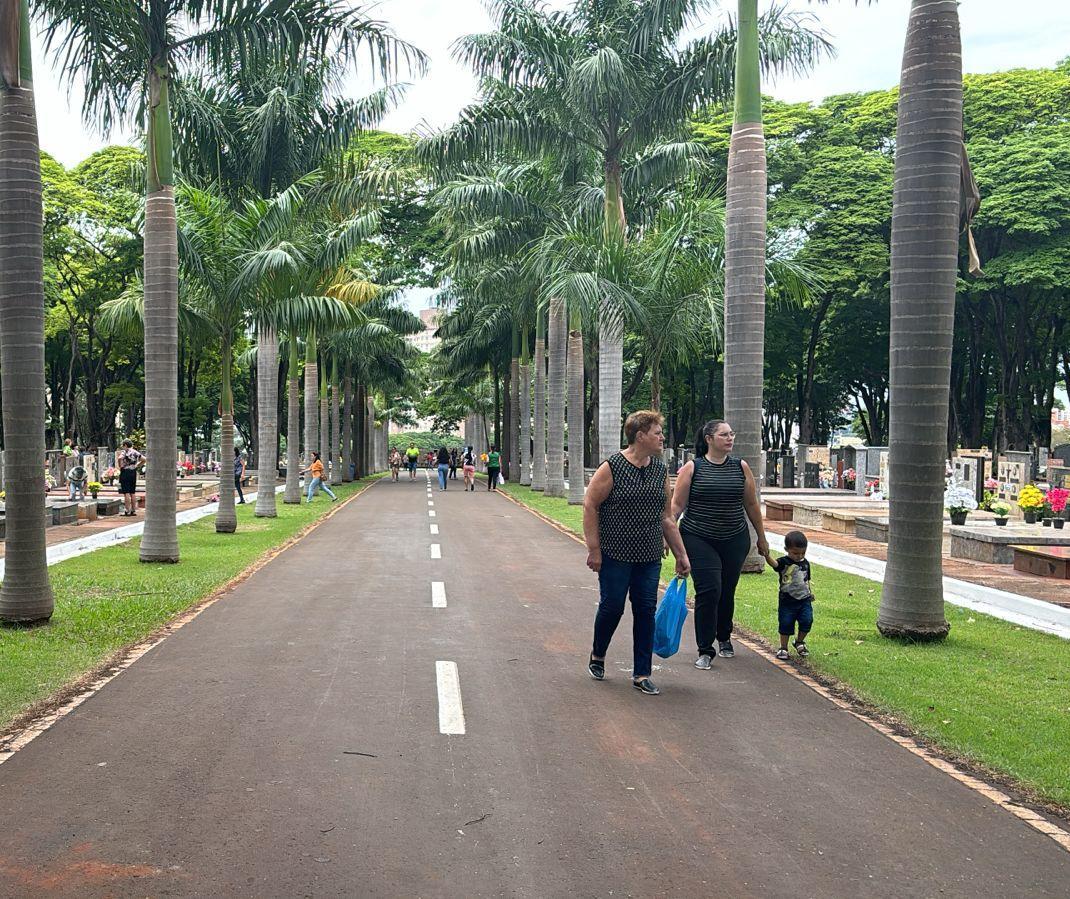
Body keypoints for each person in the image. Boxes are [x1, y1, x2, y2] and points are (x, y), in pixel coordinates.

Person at [584, 411, 690, 696]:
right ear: (640, 435)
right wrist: (594, 549)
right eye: (657, 432)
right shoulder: (612, 467)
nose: (662, 437)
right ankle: (598, 654)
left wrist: (681, 554)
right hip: (615, 553)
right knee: (612, 606)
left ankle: (642, 673)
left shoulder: (658, 469)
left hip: (649, 554)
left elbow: (666, 517)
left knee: (645, 611)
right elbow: (590, 506)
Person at [670, 419, 769, 669]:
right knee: (709, 590)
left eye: (732, 434)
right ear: (709, 439)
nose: (730, 439)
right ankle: (705, 648)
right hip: (698, 537)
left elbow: (751, 504)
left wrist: (762, 537)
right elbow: (677, 506)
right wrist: (667, 536)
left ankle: (724, 636)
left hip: (735, 538)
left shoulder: (740, 467)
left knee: (727, 590)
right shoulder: (693, 468)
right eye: (724, 435)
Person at [764, 531, 814, 660]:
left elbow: (806, 579)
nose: (799, 556)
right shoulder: (784, 562)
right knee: (786, 623)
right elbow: (774, 564)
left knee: (807, 621)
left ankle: (799, 641)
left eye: (803, 553)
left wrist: (810, 592)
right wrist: (766, 555)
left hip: (804, 600)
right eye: (795, 553)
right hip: (787, 601)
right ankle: (783, 647)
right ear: (787, 550)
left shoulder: (805, 563)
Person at [117, 439, 144, 516]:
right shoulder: (135, 452)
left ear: (125, 445)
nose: (123, 447)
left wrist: (120, 465)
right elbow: (144, 459)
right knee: (132, 492)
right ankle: (133, 510)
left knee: (126, 493)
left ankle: (127, 510)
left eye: (123, 445)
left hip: (125, 472)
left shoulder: (125, 452)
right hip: (133, 472)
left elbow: (119, 458)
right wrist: (137, 465)